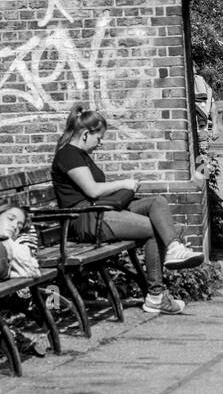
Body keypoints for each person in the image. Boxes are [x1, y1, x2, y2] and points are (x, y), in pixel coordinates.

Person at [51, 104, 200, 315]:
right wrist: (123, 183)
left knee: (157, 202)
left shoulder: (80, 155)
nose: (100, 143)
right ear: (85, 134)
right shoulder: (68, 155)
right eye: (98, 138)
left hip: (100, 211)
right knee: (152, 228)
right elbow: (92, 191)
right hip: (87, 218)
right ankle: (156, 296)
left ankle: (173, 248)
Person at [192, 65, 216, 143]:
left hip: (201, 127)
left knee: (203, 148)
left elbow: (212, 106)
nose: (195, 70)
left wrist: (215, 126)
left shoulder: (201, 83)